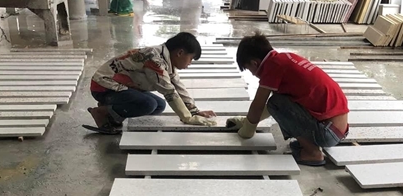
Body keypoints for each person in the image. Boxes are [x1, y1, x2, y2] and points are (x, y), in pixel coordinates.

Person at [227, 32, 349, 166]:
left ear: (254, 63)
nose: (252, 74)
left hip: (327, 133)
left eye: (249, 69)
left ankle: (312, 153)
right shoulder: (285, 58)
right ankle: (309, 142)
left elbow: (259, 104)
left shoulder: (272, 67)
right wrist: (246, 121)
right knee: (279, 100)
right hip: (337, 130)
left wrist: (247, 131)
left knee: (275, 103)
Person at [87, 32, 217, 133]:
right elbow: (169, 91)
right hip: (103, 87)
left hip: (120, 88)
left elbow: (178, 86)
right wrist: (188, 118)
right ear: (180, 53)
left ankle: (111, 110)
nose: (190, 63)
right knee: (148, 104)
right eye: (191, 58)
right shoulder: (154, 60)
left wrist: (194, 111)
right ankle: (102, 112)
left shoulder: (167, 61)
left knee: (159, 105)